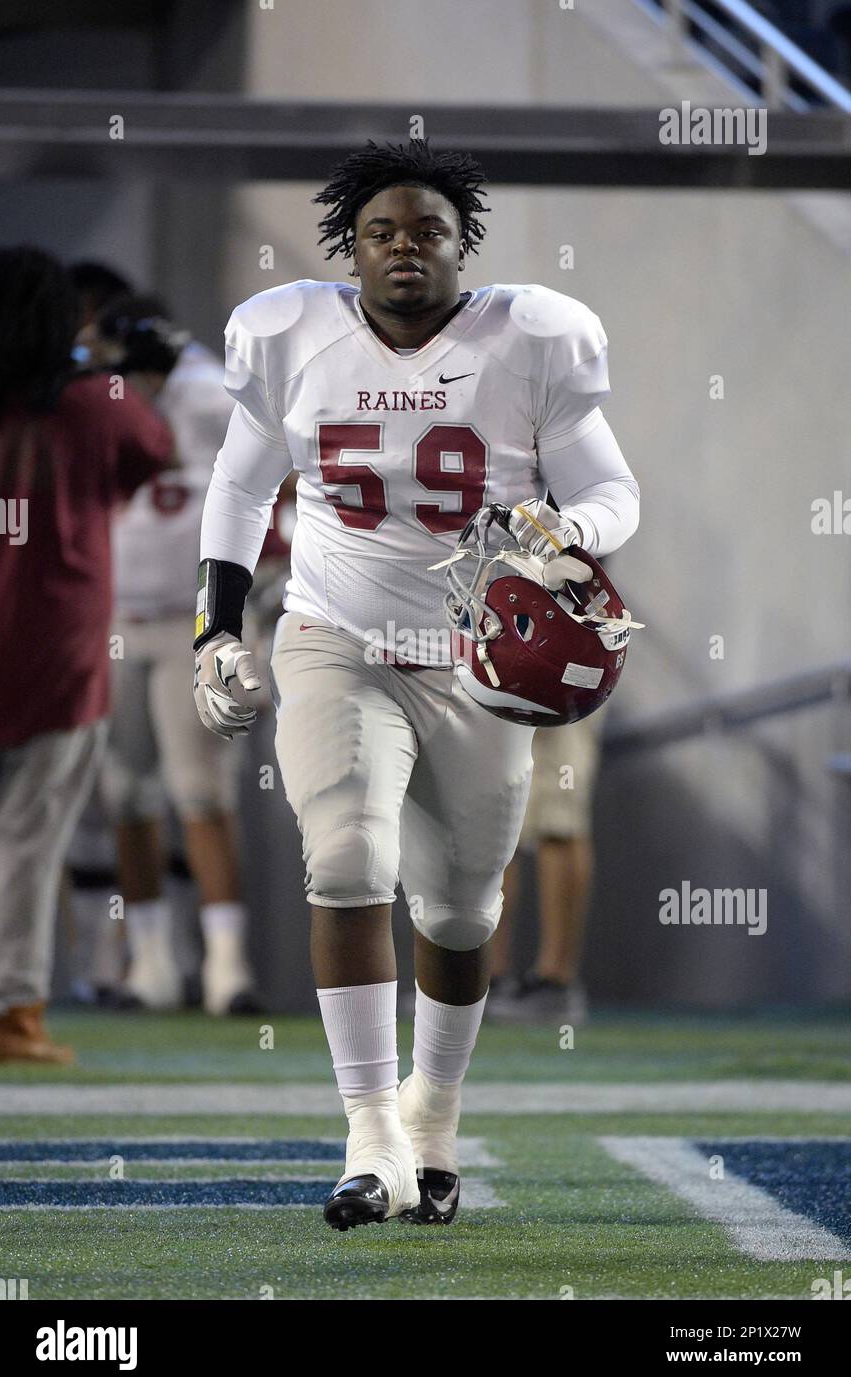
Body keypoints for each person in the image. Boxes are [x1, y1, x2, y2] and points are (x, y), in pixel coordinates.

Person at [192, 139, 640, 1227]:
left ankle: (431, 1119)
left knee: (460, 905)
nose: (404, 249)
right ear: (350, 244)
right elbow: (241, 484)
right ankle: (370, 1135)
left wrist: (563, 528)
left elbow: (614, 489)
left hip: (476, 656)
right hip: (331, 632)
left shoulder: (532, 336)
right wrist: (215, 626)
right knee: (346, 855)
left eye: (427, 232)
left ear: (460, 245)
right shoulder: (287, 332)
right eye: (383, 232)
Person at [0, 248, 173, 1063]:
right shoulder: (100, 404)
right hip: (54, 647)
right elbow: (151, 450)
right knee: (29, 843)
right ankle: (9, 1014)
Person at [92, 295, 261, 1014]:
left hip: (194, 623)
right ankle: (152, 961)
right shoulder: (99, 402)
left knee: (201, 793)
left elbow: (270, 481)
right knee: (127, 795)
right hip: (116, 619)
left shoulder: (212, 394)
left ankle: (227, 965)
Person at [487, 713, 606, 1025]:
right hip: (489, 669)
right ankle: (486, 978)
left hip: (569, 669)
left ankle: (555, 982)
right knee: (492, 806)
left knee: (558, 811)